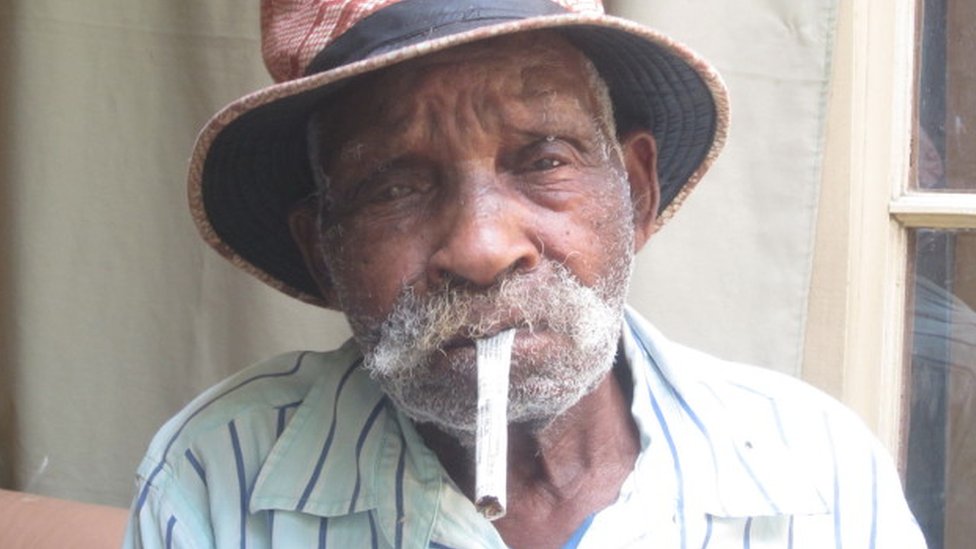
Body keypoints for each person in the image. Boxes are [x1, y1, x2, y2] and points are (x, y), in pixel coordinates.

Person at [124, 1, 926, 547]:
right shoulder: (221, 475)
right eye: (394, 187)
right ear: (321, 251)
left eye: (543, 160)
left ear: (636, 192)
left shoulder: (813, 473)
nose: (482, 248)